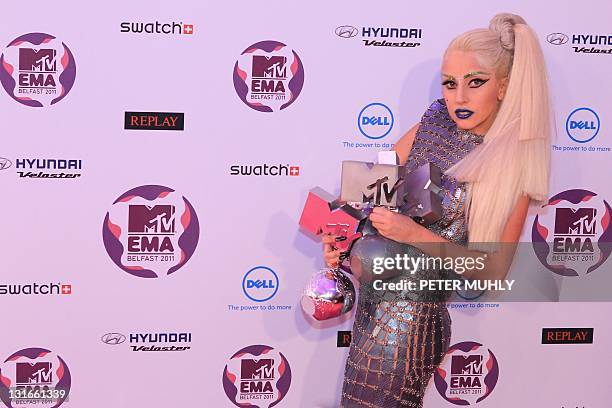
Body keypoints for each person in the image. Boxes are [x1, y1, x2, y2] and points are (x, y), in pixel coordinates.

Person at [323, 13, 551, 407]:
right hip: (372, 309)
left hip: (412, 325)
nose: (458, 97)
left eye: (475, 82)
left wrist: (413, 234)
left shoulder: (512, 167)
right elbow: (369, 191)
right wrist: (340, 239)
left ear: (503, 87)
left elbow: (493, 270)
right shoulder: (432, 121)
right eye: (450, 83)